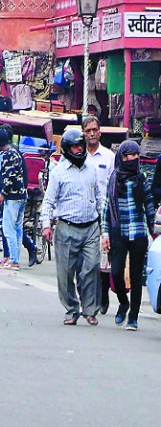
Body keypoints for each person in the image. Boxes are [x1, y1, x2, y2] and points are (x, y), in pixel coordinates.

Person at [41, 129, 103, 326]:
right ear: (67, 149)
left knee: (91, 268)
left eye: (81, 146)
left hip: (91, 227)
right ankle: (71, 309)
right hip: (66, 228)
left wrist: (105, 224)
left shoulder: (91, 168)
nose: (78, 149)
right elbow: (49, 201)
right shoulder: (58, 172)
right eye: (74, 146)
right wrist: (46, 225)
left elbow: (100, 198)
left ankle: (90, 310)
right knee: (66, 273)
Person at [101, 141, 154, 331]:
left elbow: (149, 206)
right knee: (116, 272)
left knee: (136, 276)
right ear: (121, 157)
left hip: (139, 232)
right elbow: (106, 209)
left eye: (134, 155)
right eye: (127, 155)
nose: (131, 159)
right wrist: (105, 233)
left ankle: (133, 317)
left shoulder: (142, 178)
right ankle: (123, 303)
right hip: (119, 232)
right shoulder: (113, 179)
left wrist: (153, 230)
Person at [81, 116, 116, 315]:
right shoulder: (78, 156)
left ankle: (103, 296)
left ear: (100, 132)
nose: (92, 134)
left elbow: (114, 185)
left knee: (103, 260)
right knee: (86, 261)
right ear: (83, 134)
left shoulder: (109, 157)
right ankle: (89, 298)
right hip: (83, 214)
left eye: (95, 130)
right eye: (88, 131)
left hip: (104, 214)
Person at [0, 127, 27, 271]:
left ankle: (13, 260)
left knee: (8, 229)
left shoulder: (8, 155)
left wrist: (3, 193)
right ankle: (15, 259)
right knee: (18, 228)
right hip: (21, 196)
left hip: (12, 197)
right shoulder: (16, 152)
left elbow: (9, 176)